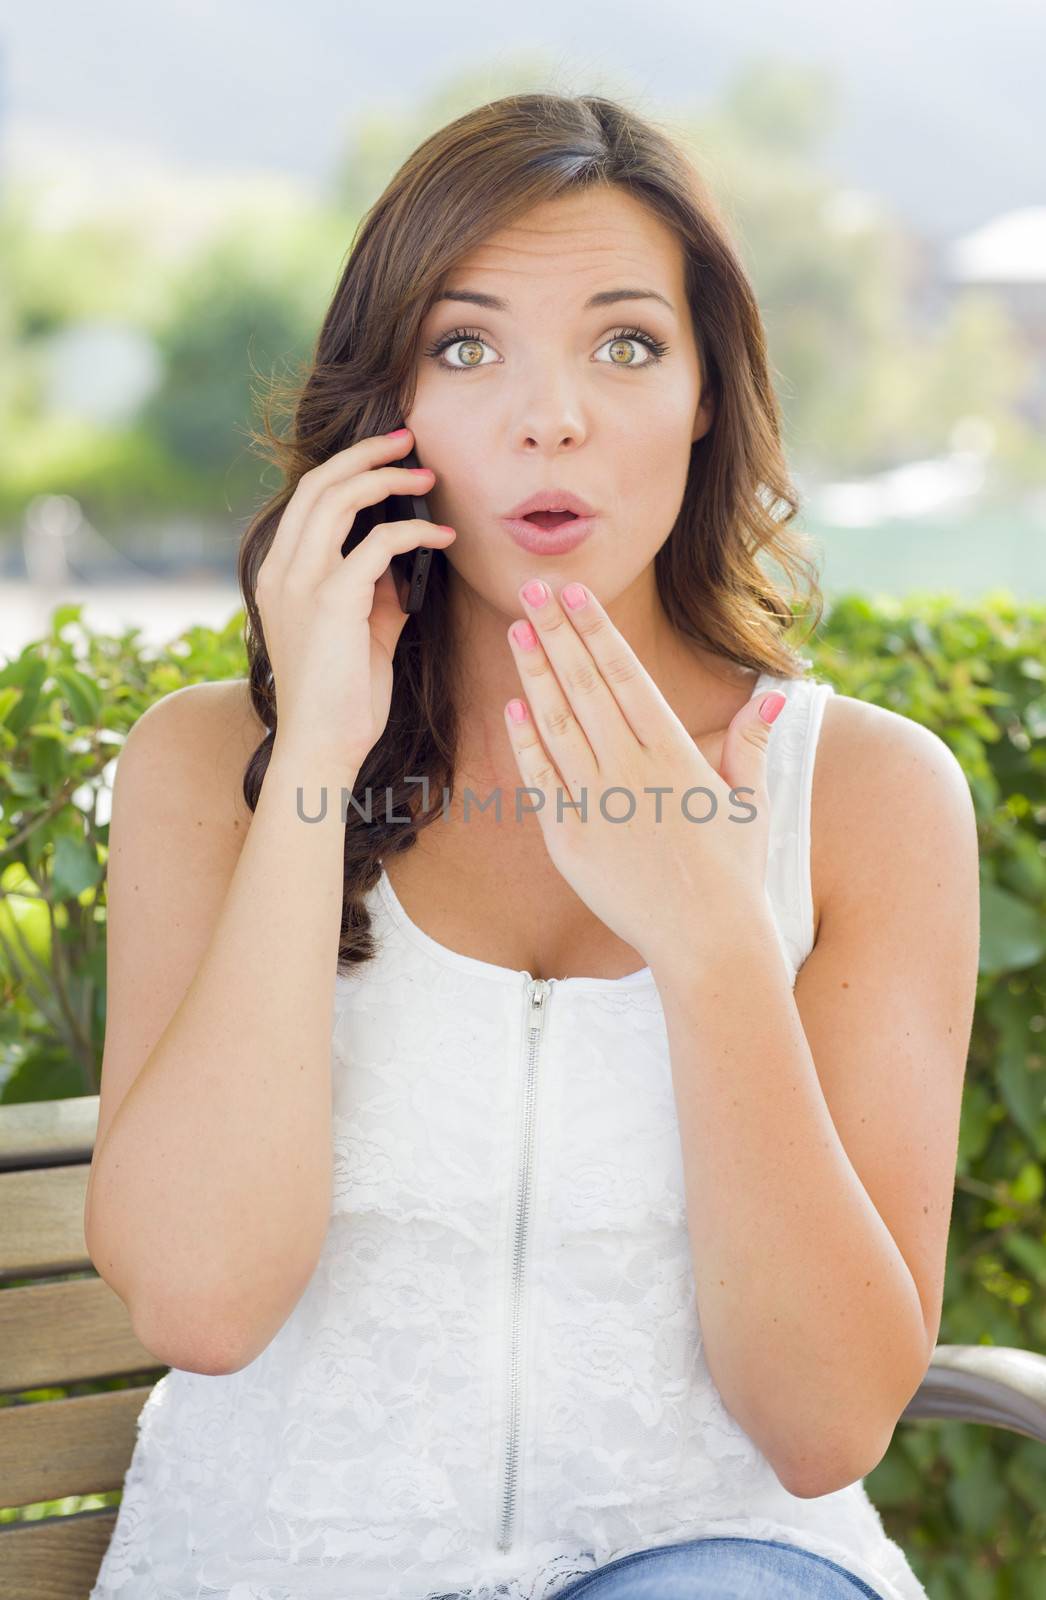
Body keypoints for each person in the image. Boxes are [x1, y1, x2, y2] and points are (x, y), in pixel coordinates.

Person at [84, 92, 979, 1600]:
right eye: (465, 345)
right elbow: (200, 1305)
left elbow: (824, 1426)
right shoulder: (205, 768)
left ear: (705, 394)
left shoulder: (869, 797)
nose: (548, 412)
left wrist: (708, 943)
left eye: (625, 344)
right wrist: (314, 754)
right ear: (389, 410)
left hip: (712, 1569)